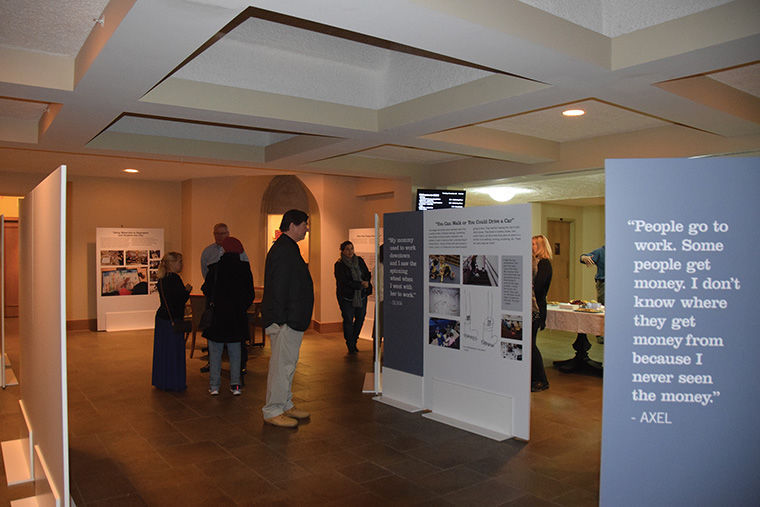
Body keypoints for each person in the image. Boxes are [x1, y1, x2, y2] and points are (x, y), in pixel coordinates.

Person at [261, 209, 314, 428]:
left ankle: (285, 404)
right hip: (285, 321)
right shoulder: (283, 251)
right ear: (292, 226)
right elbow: (280, 287)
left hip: (290, 319)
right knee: (281, 366)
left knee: (288, 365)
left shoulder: (288, 248)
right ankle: (273, 409)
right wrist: (282, 321)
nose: (307, 228)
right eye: (304, 224)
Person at [201, 237, 254, 396]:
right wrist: (240, 307)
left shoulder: (215, 268)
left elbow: (206, 289)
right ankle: (235, 385)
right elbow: (249, 294)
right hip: (236, 317)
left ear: (223, 250)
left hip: (217, 316)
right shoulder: (244, 268)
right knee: (235, 352)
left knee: (215, 352)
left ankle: (214, 386)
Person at [152, 252, 192, 391]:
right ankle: (174, 382)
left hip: (162, 318)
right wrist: (186, 291)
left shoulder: (162, 279)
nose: (182, 265)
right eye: (180, 262)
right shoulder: (175, 279)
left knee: (163, 352)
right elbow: (178, 301)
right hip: (172, 320)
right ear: (173, 263)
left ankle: (162, 380)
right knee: (174, 352)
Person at [334, 240, 372, 354]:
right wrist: (360, 284)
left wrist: (366, 281)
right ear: (342, 251)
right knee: (348, 320)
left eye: (351, 248)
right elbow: (344, 281)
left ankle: (354, 340)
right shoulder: (339, 264)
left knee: (360, 318)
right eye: (347, 249)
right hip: (347, 297)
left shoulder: (359, 260)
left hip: (361, 295)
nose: (350, 251)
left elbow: (366, 273)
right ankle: (350, 343)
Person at [531, 234, 553, 392]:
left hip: (536, 309)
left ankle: (541, 380)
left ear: (540, 246)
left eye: (533, 244)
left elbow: (538, 287)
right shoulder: (534, 262)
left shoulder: (544, 264)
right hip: (532, 308)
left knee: (531, 345)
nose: (530, 246)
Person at [580, 245, 605, 343]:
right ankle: (601, 335)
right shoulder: (601, 251)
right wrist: (584, 257)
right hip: (604, 284)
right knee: (602, 309)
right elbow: (584, 257)